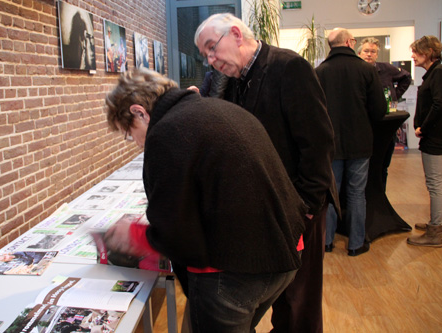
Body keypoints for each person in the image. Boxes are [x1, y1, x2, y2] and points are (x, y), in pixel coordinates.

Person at [104, 68, 307, 332]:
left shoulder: (166, 133)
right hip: (284, 254)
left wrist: (133, 236)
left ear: (139, 112)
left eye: (129, 132)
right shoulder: (220, 110)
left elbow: (177, 235)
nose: (135, 142)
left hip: (234, 270)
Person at [194, 13, 339, 333]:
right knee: (273, 293)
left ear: (235, 33)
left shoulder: (289, 67)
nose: (211, 59)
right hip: (265, 212)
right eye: (205, 55)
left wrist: (306, 209)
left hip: (299, 208)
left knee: (298, 304)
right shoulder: (230, 81)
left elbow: (318, 144)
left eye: (212, 48)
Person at [316, 28, 387, 256]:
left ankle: (327, 242)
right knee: (357, 193)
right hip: (360, 142)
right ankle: (356, 244)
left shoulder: (320, 72)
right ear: (349, 42)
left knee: (331, 193)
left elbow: (313, 111)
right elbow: (379, 110)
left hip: (330, 144)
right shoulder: (367, 70)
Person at [357, 37, 413, 188]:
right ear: (359, 53)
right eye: (366, 51)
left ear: (377, 54)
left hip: (385, 124)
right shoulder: (356, 70)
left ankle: (381, 196)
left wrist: (395, 94)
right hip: (364, 125)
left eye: (373, 52)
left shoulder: (386, 69)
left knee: (383, 164)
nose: (369, 54)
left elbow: (406, 77)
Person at [406, 35, 442, 247]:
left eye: (416, 52)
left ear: (428, 52)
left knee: (435, 184)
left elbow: (439, 105)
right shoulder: (434, 72)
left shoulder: (437, 73)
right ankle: (435, 223)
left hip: (435, 139)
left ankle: (435, 230)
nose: (412, 56)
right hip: (435, 136)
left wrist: (422, 127)